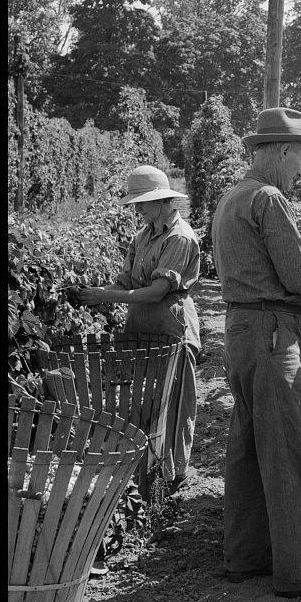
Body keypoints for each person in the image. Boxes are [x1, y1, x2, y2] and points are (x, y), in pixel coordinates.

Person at [210, 107, 301, 598]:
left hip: (241, 330)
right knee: (290, 450)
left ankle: (244, 557)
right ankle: (300, 573)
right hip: (275, 336)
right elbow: (297, 278)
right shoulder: (270, 198)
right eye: (299, 157)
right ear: (278, 152)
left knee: (248, 446)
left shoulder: (234, 197)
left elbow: (282, 261)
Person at [78, 165, 201, 496]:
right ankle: (147, 472)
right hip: (141, 330)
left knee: (174, 405)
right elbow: (128, 281)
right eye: (136, 203)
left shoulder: (180, 237)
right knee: (143, 402)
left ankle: (174, 479)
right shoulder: (143, 236)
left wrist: (105, 296)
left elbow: (157, 291)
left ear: (163, 201)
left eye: (142, 202)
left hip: (172, 328)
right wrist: (93, 291)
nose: (137, 209)